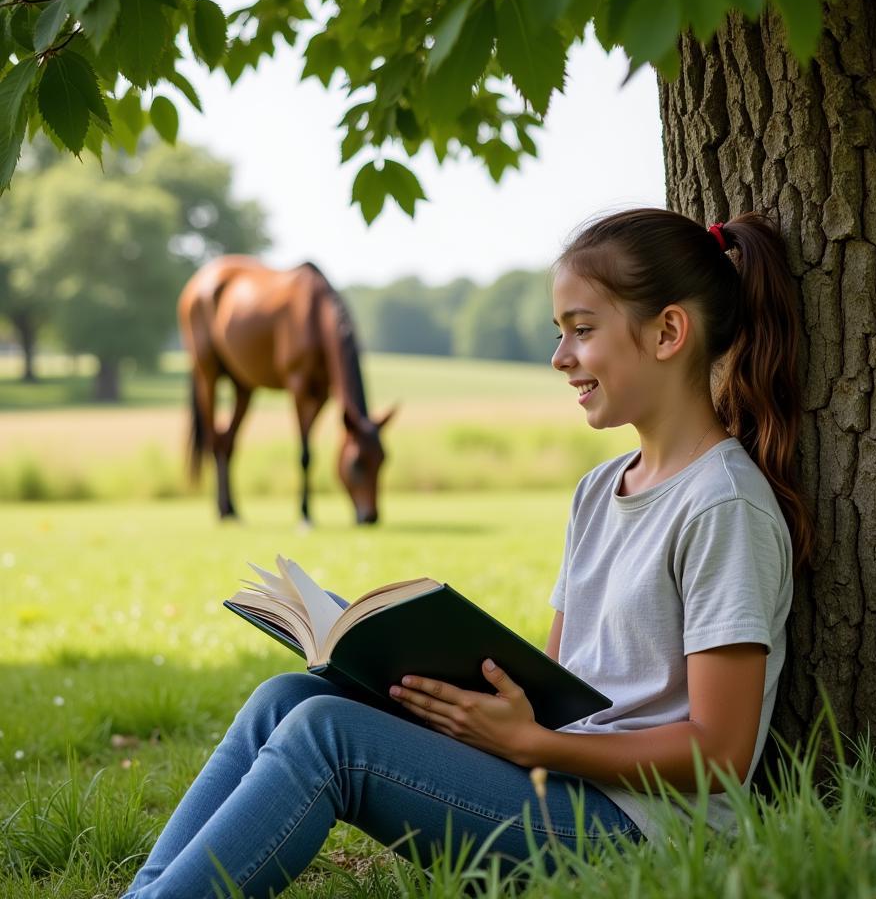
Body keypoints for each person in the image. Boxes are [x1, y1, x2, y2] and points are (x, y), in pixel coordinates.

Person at [121, 208, 813, 898]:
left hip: (640, 826)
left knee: (326, 736)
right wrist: (449, 696)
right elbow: (558, 691)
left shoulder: (723, 505)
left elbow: (720, 753)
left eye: (582, 330)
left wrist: (534, 746)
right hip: (559, 776)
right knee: (287, 698)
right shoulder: (599, 491)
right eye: (559, 333)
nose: (560, 357)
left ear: (667, 332)